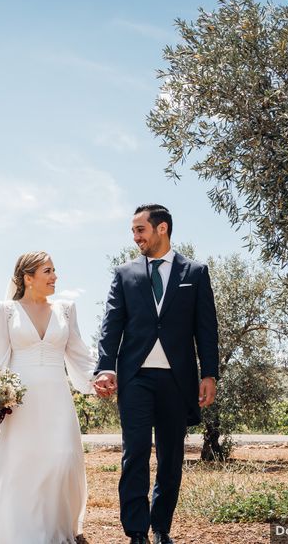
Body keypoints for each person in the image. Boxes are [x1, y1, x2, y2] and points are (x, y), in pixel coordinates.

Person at [93, 204, 219, 544]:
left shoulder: (195, 272)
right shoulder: (124, 274)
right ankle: (136, 531)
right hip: (136, 377)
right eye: (133, 231)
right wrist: (105, 367)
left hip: (178, 381)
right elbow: (111, 326)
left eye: (140, 230)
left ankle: (161, 527)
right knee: (134, 452)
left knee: (171, 457)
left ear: (161, 229)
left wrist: (210, 373)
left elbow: (206, 329)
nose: (135, 237)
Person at [0, 251, 97, 544]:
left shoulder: (66, 309)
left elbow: (80, 354)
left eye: (55, 270)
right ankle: (20, 532)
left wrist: (101, 379)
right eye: (48, 271)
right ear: (28, 278)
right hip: (20, 403)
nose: (55, 276)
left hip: (57, 398)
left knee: (62, 459)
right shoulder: (6, 310)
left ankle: (58, 530)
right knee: (22, 463)